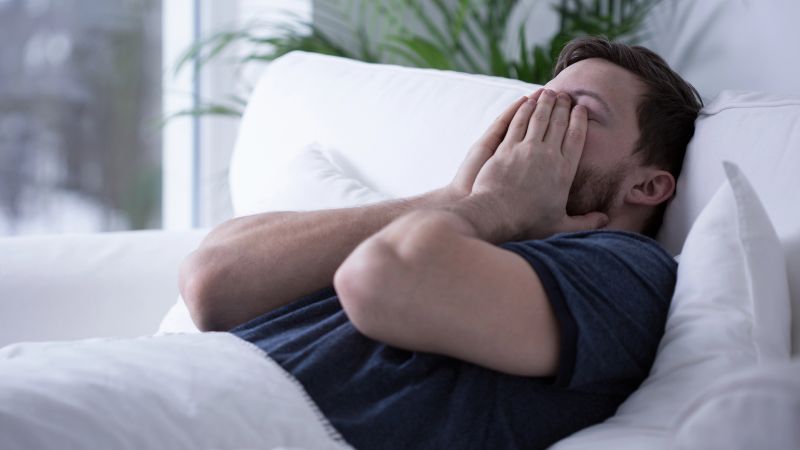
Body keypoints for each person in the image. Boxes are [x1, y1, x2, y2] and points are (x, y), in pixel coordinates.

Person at [179, 36, 702, 449]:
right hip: (180, 384)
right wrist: (454, 195)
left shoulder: (629, 272)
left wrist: (495, 205)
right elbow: (210, 282)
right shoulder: (459, 222)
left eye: (576, 112)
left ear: (648, 185)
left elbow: (384, 280)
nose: (533, 126)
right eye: (541, 103)